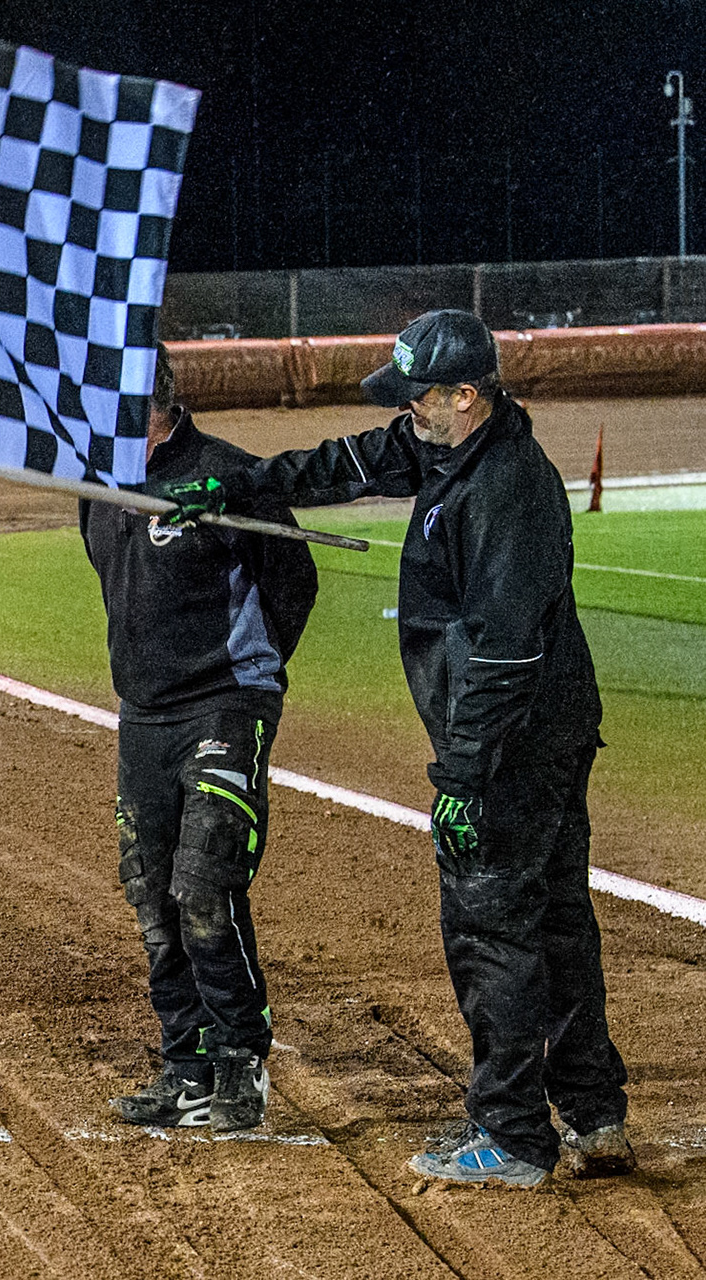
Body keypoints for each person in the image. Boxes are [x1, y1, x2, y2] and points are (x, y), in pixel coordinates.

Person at [166, 309, 632, 1185]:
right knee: (560, 922)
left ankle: (514, 1135)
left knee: (492, 929)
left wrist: (461, 775)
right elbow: (351, 463)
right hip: (541, 734)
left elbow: (505, 653)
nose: (406, 413)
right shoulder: (450, 445)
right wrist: (244, 487)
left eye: (419, 398)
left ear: (467, 394)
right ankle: (595, 1114)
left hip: (514, 744)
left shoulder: (506, 492)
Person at [84, 344, 319, 1133]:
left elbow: (294, 578)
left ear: (146, 403)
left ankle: (241, 1061)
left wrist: (249, 675)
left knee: (204, 891)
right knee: (153, 899)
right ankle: (185, 1068)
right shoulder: (97, 485)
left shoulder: (225, 476)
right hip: (142, 716)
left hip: (223, 707)